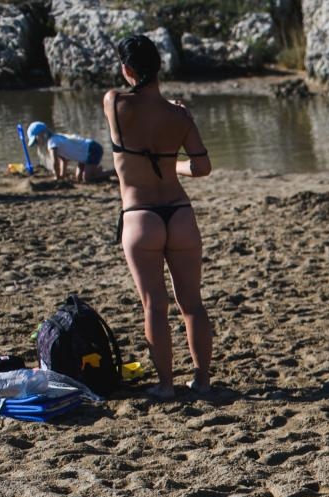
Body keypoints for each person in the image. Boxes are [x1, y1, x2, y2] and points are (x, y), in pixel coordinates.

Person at [102, 34, 213, 400]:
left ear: (127, 69)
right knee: (191, 304)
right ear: (160, 66)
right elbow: (202, 167)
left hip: (140, 215)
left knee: (155, 304)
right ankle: (201, 380)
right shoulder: (178, 114)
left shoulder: (115, 103)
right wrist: (173, 164)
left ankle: (166, 385)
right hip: (179, 214)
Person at [26, 121, 106, 182]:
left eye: (36, 141)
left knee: (87, 178)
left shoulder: (52, 142)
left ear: (42, 135)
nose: (37, 144)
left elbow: (55, 163)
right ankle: (96, 171)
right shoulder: (56, 138)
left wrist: (57, 177)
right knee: (78, 177)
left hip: (92, 150)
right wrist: (62, 176)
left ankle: (113, 172)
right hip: (84, 154)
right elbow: (63, 160)